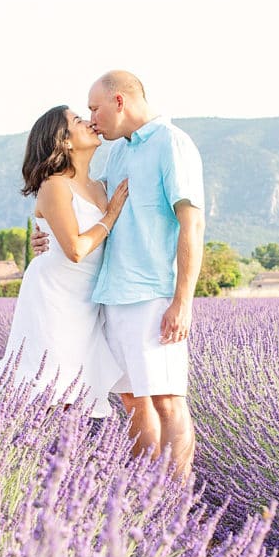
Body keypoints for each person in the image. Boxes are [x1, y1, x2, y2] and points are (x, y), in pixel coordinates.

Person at [33, 70, 206, 478]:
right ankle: (145, 495)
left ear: (119, 102)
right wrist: (43, 236)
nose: (92, 118)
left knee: (166, 399)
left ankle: (176, 502)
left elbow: (192, 226)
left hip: (152, 294)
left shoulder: (172, 144)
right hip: (111, 294)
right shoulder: (117, 152)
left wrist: (182, 300)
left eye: (94, 108)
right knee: (132, 398)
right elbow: (76, 202)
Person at [0, 105, 129, 418]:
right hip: (54, 295)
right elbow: (75, 249)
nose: (90, 123)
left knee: (78, 389)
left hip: (87, 299)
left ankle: (68, 461)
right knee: (51, 388)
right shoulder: (54, 184)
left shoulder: (101, 186)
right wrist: (110, 215)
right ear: (64, 141)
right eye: (79, 121)